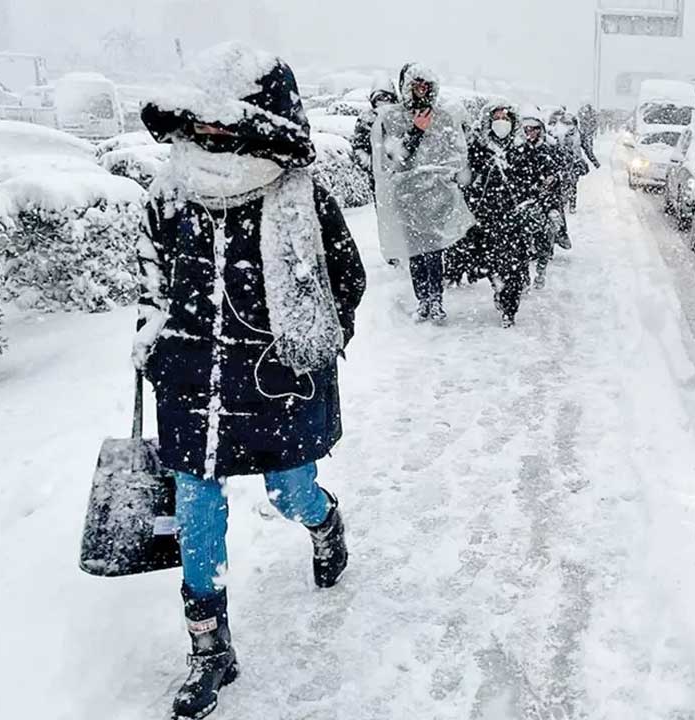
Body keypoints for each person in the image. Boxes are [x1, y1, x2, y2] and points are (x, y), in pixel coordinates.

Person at [134, 42, 367, 720]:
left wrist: (310, 347)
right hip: (190, 383)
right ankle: (209, 647)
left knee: (289, 491)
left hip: (273, 383)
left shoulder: (299, 195)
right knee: (196, 511)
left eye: (226, 118)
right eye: (202, 118)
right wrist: (154, 346)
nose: (211, 130)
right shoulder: (170, 193)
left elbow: (345, 281)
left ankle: (324, 522)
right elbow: (151, 282)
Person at [371, 63, 473, 323]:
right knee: (415, 250)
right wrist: (416, 131)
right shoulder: (393, 118)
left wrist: (446, 177)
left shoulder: (444, 118)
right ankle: (423, 300)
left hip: (437, 195)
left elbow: (456, 154)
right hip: (407, 196)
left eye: (426, 85)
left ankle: (436, 300)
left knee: (434, 249)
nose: (422, 90)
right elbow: (394, 159)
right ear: (407, 87)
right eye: (417, 85)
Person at [465, 100, 533, 327]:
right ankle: (498, 287)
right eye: (497, 118)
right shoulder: (478, 148)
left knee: (514, 266)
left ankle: (509, 307)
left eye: (505, 118)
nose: (501, 122)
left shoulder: (521, 149)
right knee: (492, 263)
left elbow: (529, 181)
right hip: (486, 218)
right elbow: (468, 180)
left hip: (514, 219)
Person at [519, 107, 566, 289]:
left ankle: (540, 270)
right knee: (520, 242)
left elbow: (560, 170)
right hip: (523, 201)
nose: (530, 132)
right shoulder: (517, 150)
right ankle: (523, 276)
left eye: (534, 129)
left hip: (545, 200)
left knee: (544, 238)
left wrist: (553, 179)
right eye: (527, 129)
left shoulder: (549, 149)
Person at [351, 84, 399, 181]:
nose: (383, 102)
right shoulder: (367, 118)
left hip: (397, 172)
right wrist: (371, 165)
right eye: (379, 99)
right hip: (377, 172)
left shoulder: (399, 118)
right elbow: (359, 146)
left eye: (386, 98)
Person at [577, 103, 601, 171]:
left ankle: (596, 164)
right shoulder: (581, 115)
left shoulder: (592, 115)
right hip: (583, 134)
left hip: (587, 134)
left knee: (589, 150)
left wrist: (591, 131)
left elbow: (595, 124)